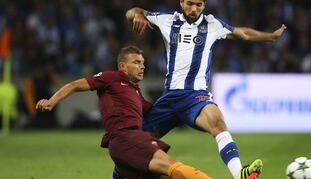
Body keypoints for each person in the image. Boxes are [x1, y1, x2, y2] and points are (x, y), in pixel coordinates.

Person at [126, 0, 287, 179]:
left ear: (205, 5)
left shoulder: (212, 25)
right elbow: (132, 11)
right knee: (133, 144)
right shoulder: (167, 20)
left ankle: (240, 174)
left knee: (218, 122)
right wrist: (138, 14)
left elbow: (242, 33)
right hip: (169, 99)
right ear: (181, 1)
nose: (194, 9)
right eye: (190, 3)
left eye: (199, 5)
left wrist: (270, 37)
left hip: (196, 96)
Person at [35, 46, 212, 179]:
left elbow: (160, 113)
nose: (142, 66)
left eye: (143, 63)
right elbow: (74, 85)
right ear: (123, 66)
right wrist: (51, 101)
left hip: (123, 147)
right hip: (127, 139)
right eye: (136, 62)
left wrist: (184, 110)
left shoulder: (135, 92)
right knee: (173, 167)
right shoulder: (111, 78)